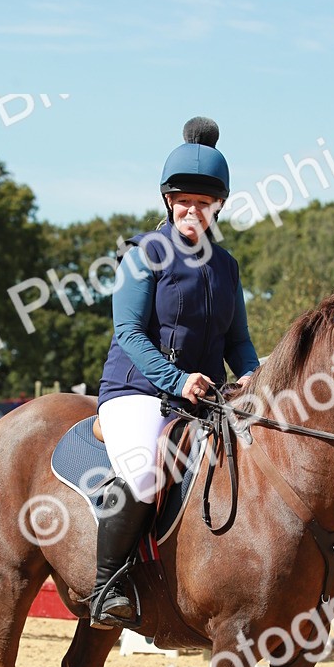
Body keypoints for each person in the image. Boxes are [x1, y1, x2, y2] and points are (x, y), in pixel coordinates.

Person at [89, 116, 260, 627]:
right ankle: (106, 586)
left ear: (219, 206)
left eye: (204, 203)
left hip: (201, 399)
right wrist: (176, 379)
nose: (193, 210)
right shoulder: (145, 254)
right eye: (184, 201)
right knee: (144, 472)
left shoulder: (227, 267)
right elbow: (128, 332)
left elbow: (240, 341)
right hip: (136, 390)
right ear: (169, 201)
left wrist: (252, 373)